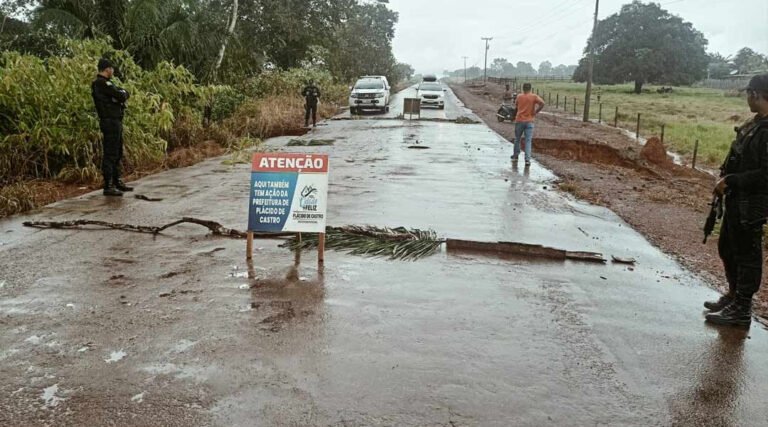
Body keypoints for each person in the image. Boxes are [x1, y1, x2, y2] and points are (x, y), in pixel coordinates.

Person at [705, 74, 768, 327]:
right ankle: (733, 297)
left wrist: (731, 180)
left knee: (747, 255)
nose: (747, 99)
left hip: (752, 203)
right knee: (728, 248)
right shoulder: (756, 124)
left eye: (748, 94)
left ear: (756, 94)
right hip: (737, 199)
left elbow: (765, 175)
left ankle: (742, 308)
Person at [91, 58, 131, 197]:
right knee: (110, 153)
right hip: (109, 121)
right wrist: (119, 96)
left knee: (118, 151)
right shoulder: (100, 83)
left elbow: (124, 94)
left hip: (116, 121)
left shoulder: (108, 83)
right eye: (112, 69)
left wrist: (120, 95)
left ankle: (116, 181)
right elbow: (120, 95)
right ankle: (108, 186)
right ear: (107, 69)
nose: (113, 71)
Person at [512, 83, 545, 166]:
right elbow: (542, 103)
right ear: (530, 88)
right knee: (528, 140)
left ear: (523, 88)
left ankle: (515, 156)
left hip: (519, 120)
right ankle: (527, 159)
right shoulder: (534, 96)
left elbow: (516, 106)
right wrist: (536, 112)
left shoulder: (519, 96)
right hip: (529, 121)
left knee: (517, 139)